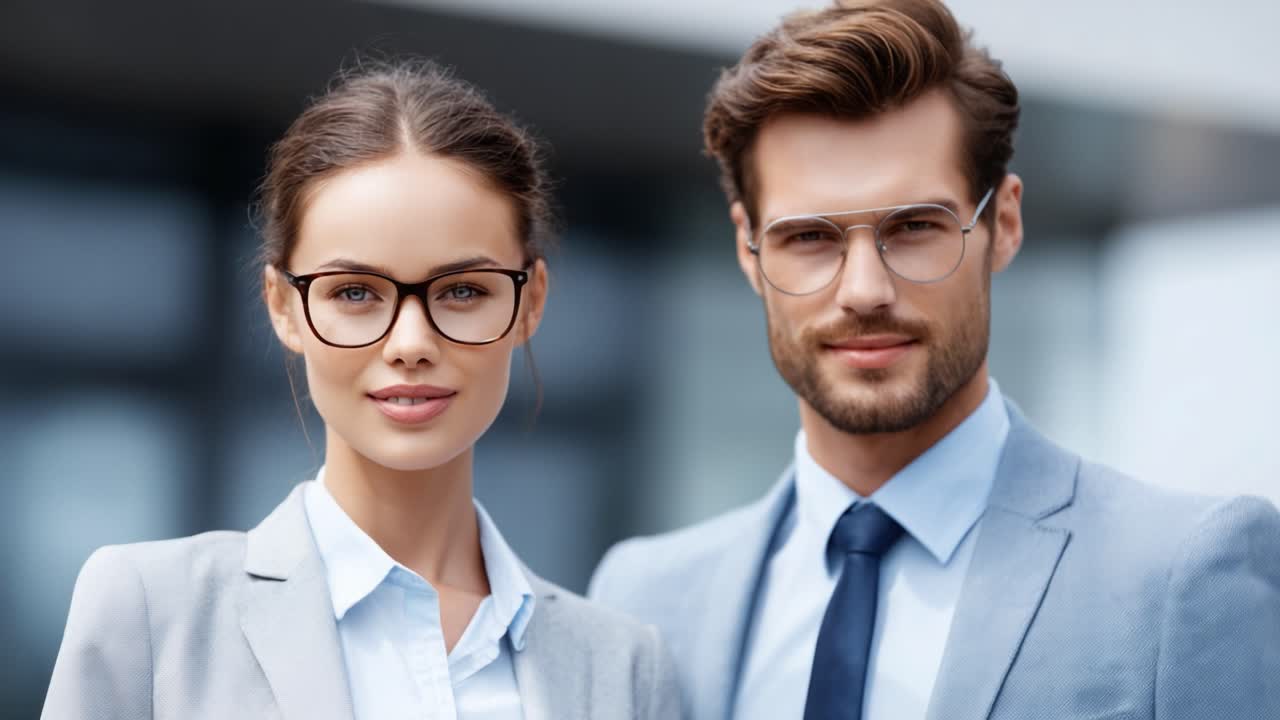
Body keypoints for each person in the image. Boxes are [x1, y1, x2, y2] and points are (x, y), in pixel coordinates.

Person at [588, 1, 1280, 719]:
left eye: (915, 227)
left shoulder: (1180, 573)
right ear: (748, 248)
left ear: (1004, 224)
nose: (864, 291)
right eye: (810, 238)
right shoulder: (644, 600)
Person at [43, 59, 678, 720]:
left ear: (530, 301)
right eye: (355, 292)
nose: (410, 343)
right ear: (283, 307)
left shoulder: (622, 667)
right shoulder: (154, 614)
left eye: (462, 291)